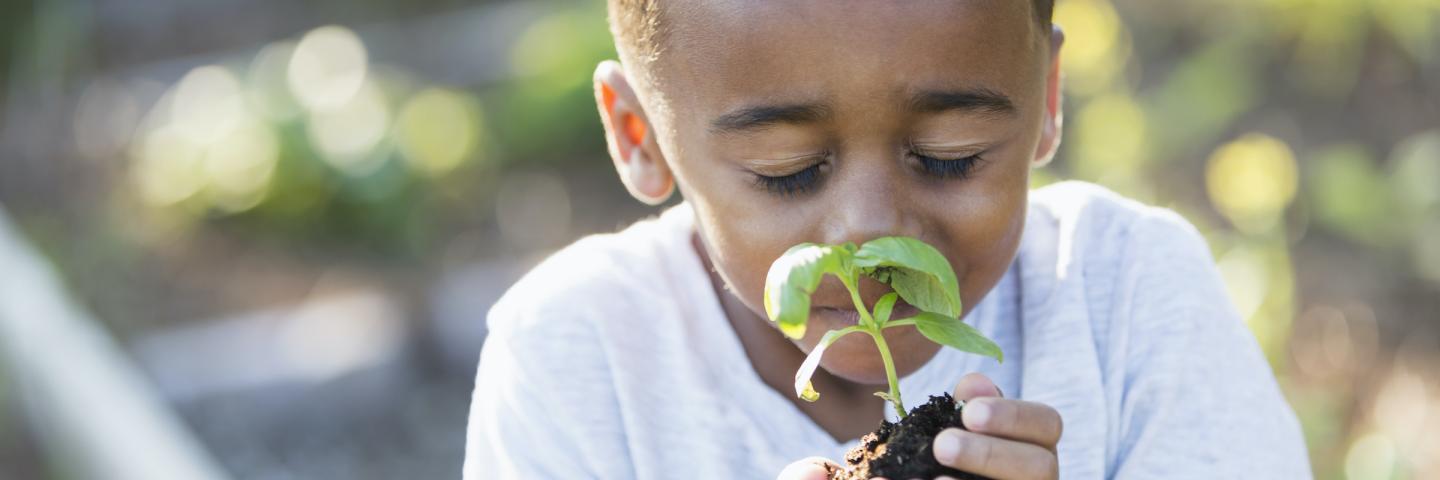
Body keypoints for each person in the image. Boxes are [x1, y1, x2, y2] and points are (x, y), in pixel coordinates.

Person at [464, 1, 1312, 478]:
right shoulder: (574, 357)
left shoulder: (1128, 295)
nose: (869, 231)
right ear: (640, 135)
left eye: (952, 157)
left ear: (1048, 98)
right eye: (787, 169)